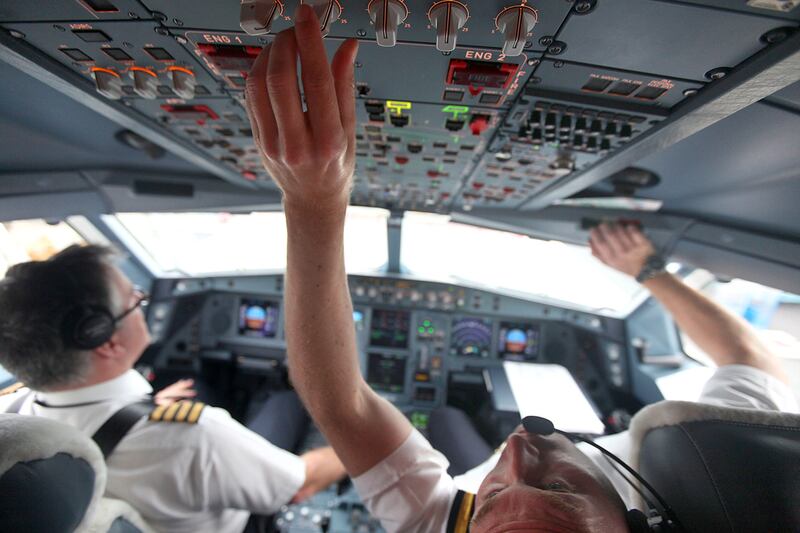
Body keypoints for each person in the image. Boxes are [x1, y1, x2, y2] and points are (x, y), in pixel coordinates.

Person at [242, 5, 798, 532]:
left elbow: (342, 405)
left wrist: (313, 201)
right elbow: (751, 361)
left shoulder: (447, 521)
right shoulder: (689, 475)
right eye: (558, 488)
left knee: (440, 420)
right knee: (446, 420)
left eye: (490, 502)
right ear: (640, 523)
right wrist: (649, 269)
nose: (512, 450)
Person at [0, 245, 346, 533]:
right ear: (103, 342)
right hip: (247, 520)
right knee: (289, 398)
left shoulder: (17, 420)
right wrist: (353, 438)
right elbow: (300, 485)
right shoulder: (194, 436)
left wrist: (145, 409)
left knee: (198, 386)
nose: (143, 303)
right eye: (135, 299)